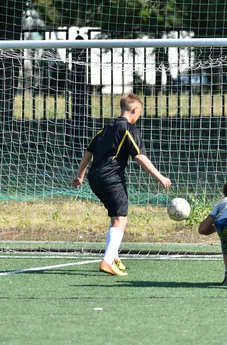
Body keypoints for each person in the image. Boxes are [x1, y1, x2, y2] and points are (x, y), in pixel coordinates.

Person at [71, 93, 171, 276]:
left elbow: (88, 153)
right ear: (134, 110)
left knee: (115, 215)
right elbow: (139, 156)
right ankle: (107, 261)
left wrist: (80, 175)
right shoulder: (128, 129)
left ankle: (114, 256)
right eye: (139, 112)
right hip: (111, 177)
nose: (139, 116)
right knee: (121, 218)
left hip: (95, 177)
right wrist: (160, 177)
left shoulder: (106, 128)